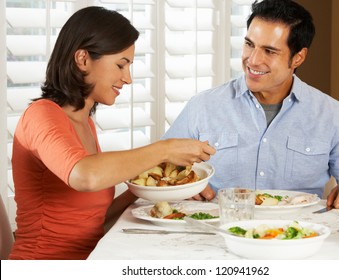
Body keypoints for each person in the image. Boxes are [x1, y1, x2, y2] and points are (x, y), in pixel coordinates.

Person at [9, 6, 215, 260]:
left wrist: (164, 188)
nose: (127, 78)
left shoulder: (84, 123)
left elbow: (92, 223)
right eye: (121, 65)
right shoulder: (41, 115)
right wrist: (164, 148)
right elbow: (85, 176)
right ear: (82, 59)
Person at [162, 0, 339, 207]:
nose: (252, 60)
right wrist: (181, 186)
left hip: (299, 240)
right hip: (219, 238)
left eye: (269, 51)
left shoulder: (333, 116)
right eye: (250, 44)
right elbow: (159, 170)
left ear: (298, 57)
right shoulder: (203, 106)